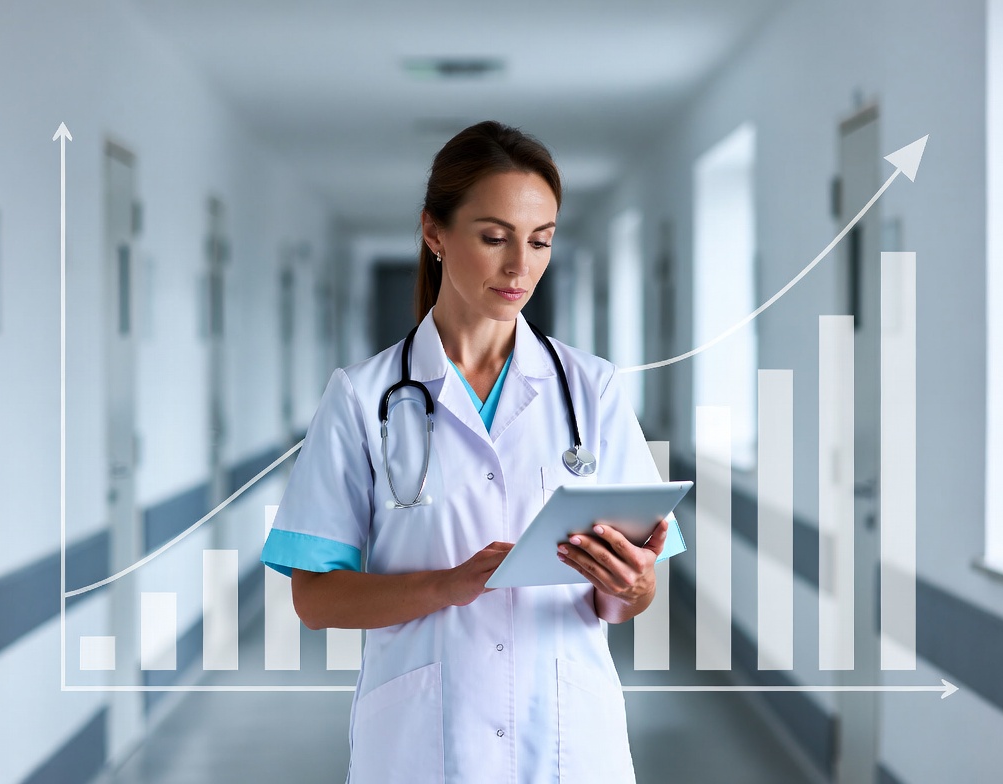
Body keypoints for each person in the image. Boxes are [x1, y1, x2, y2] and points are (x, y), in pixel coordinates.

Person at [260, 120, 686, 784]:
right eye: (494, 238)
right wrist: (446, 585)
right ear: (434, 233)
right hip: (424, 745)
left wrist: (635, 587)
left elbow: (626, 593)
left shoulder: (592, 390)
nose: (520, 267)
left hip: (566, 741)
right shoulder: (362, 396)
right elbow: (315, 600)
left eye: (540, 241)